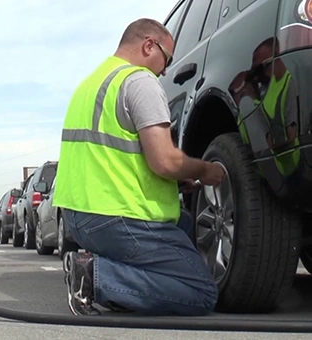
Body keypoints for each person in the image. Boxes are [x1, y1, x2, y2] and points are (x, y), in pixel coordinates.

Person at [52, 18, 226, 317]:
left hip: (79, 217)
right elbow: (165, 161)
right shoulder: (140, 81)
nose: (166, 70)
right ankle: (95, 279)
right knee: (201, 292)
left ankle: (116, 281)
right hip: (116, 219)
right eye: (166, 59)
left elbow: (116, 158)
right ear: (149, 45)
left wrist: (176, 182)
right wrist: (204, 171)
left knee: (183, 224)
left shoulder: (91, 83)